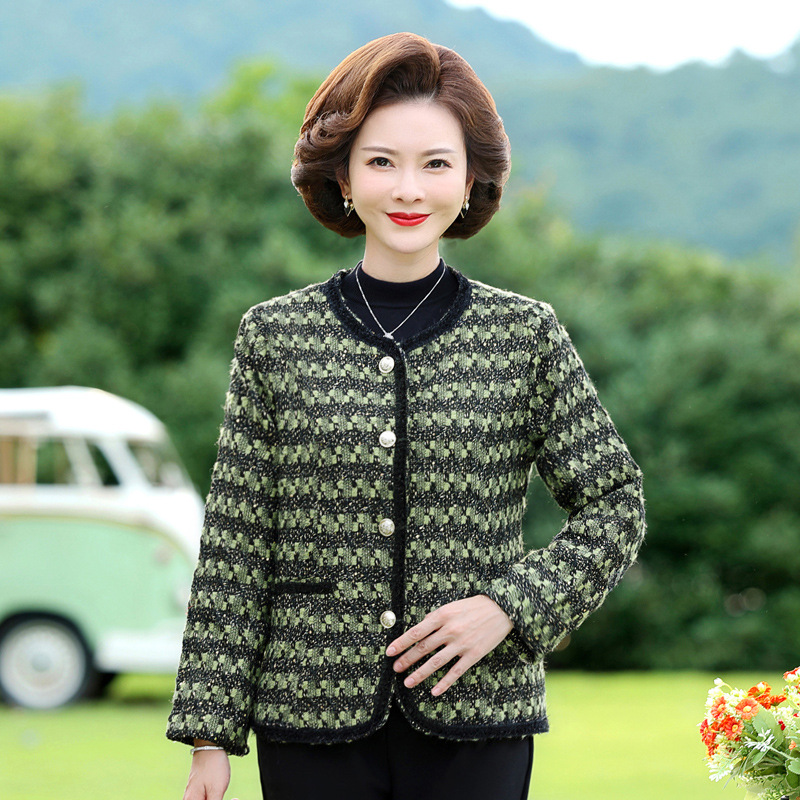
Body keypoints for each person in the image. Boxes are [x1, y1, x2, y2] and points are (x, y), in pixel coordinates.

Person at [167, 31, 646, 800]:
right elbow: (236, 540)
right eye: (382, 162)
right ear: (344, 176)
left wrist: (509, 608)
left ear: (470, 180)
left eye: (436, 164)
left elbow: (616, 504)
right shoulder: (274, 336)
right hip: (309, 714)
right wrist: (208, 735)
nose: (409, 190)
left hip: (478, 714)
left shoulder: (524, 334)